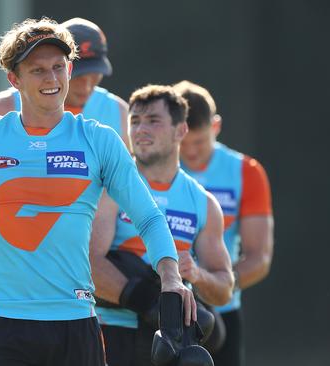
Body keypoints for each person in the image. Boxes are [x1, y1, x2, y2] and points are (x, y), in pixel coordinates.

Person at [0, 18, 195, 366]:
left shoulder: (100, 139)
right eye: (38, 70)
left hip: (76, 325)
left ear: (70, 69)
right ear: (14, 79)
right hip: (0, 327)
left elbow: (148, 217)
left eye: (58, 67)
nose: (52, 79)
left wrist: (170, 277)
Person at [0, 17, 129, 362]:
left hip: (93, 283)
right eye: (84, 73)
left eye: (95, 73)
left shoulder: (117, 115)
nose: (88, 84)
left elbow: (129, 201)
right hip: (17, 293)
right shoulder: (4, 109)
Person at [90, 84, 234, 366]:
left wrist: (198, 274)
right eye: (135, 121)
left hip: (168, 342)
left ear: (181, 131)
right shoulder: (109, 188)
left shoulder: (203, 202)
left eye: (153, 121)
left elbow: (224, 287)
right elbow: (88, 264)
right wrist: (154, 303)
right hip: (112, 332)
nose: (141, 129)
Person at [174, 80, 274, 366]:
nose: (190, 152)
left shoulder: (246, 172)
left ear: (215, 127)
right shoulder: (156, 167)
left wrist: (216, 287)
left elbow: (259, 257)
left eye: (200, 141)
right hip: (161, 308)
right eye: (183, 142)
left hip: (222, 310)